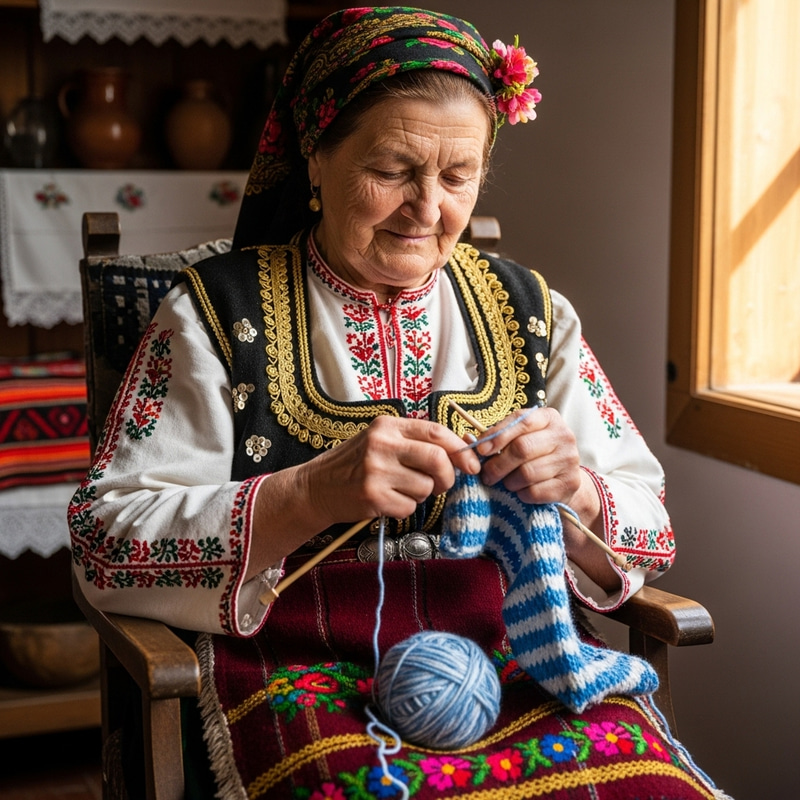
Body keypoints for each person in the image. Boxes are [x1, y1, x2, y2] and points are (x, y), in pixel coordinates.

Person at [69, 7, 728, 799]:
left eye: (458, 177)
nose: (428, 210)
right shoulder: (215, 316)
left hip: (513, 655)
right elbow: (105, 544)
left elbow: (650, 533)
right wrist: (309, 493)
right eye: (392, 170)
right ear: (315, 157)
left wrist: (577, 488)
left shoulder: (531, 314)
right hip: (297, 668)